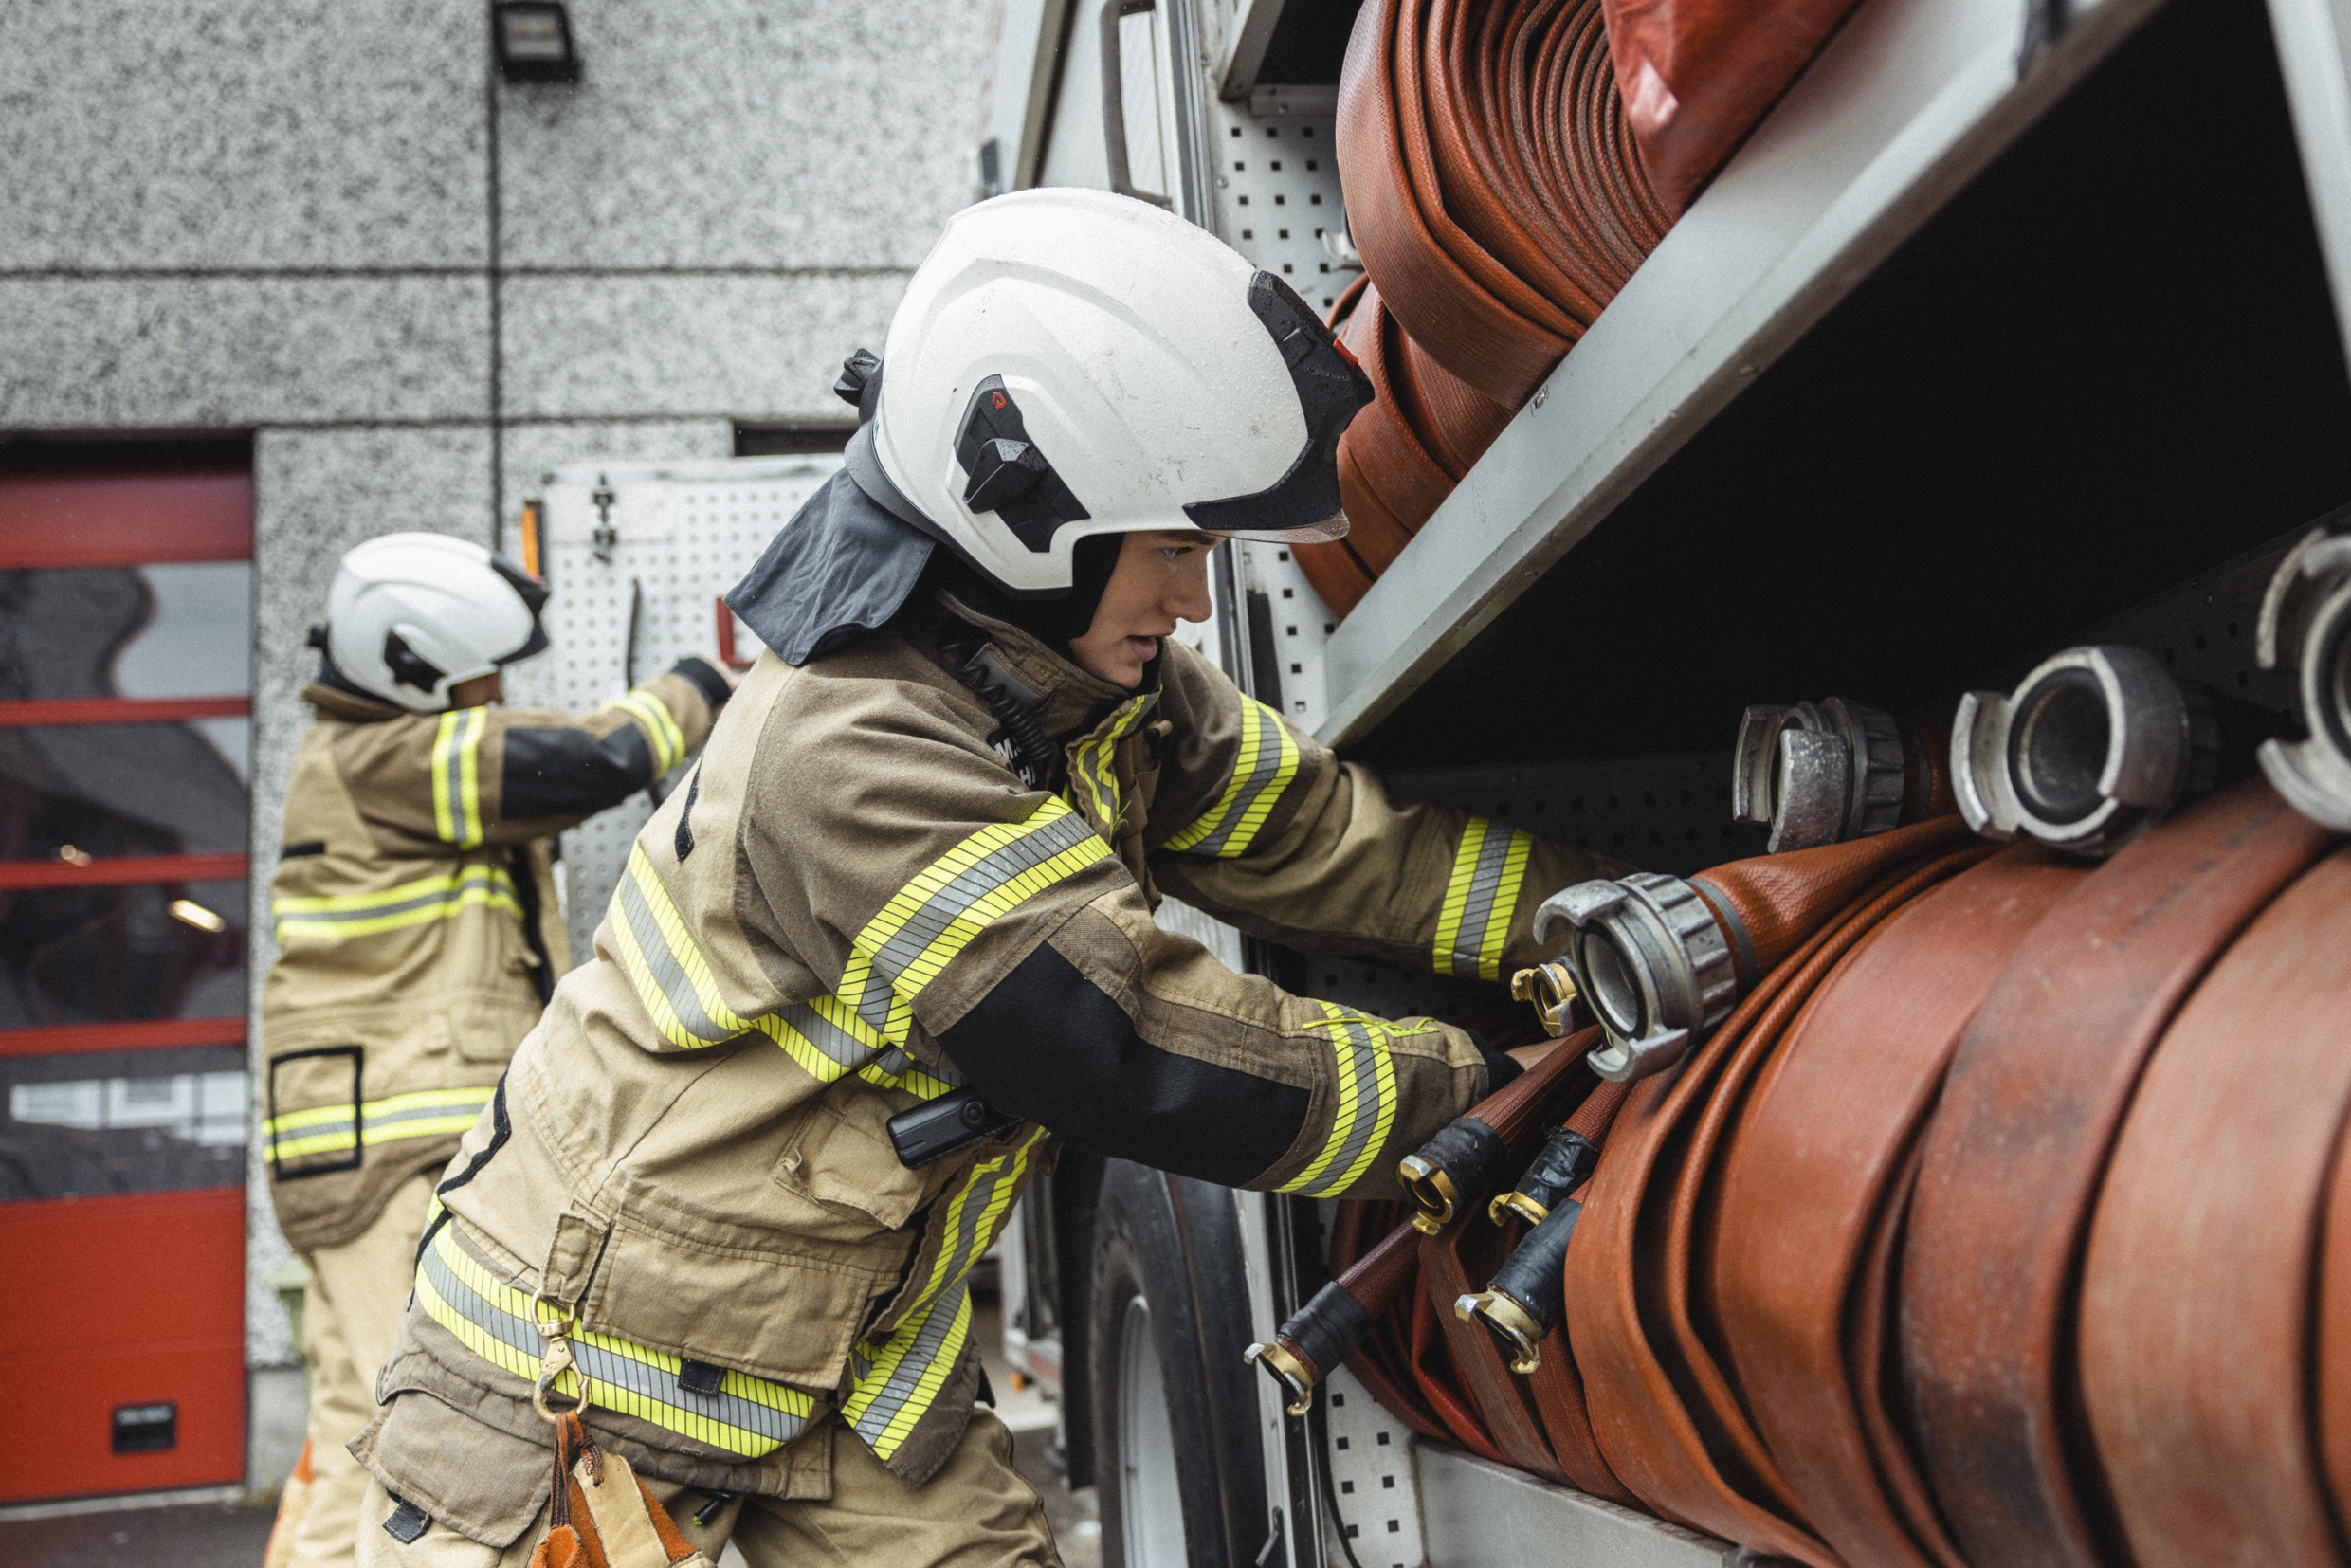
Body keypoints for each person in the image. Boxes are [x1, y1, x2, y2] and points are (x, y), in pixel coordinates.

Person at [348, 190, 1621, 1567]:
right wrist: (1483, 1098)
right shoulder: (852, 741)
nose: (1195, 599)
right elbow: (1115, 1041)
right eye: (1178, 548)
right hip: (572, 1385)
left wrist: (1616, 916)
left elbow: (1338, 842)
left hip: (845, 1374)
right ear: (1034, 520)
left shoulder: (1095, 689)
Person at [258, 532, 734, 1568]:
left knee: (360, 1429)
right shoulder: (381, 758)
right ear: (414, 666)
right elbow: (592, 759)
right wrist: (706, 681)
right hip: (388, 1148)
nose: (493, 691)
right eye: (479, 673)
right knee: (417, 1448)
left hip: (350, 1149)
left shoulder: (365, 757)